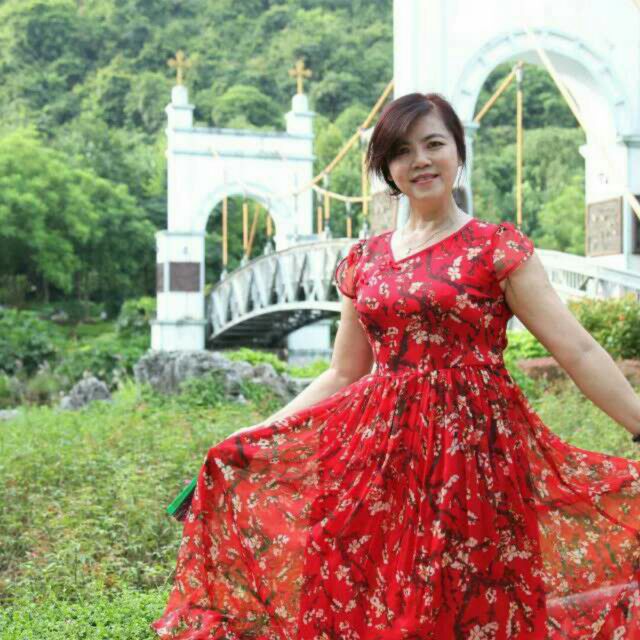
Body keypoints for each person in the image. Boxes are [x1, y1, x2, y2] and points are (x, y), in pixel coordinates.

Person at [151, 92, 640, 639]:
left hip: (472, 458)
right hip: (377, 458)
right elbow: (343, 372)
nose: (420, 161)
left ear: (458, 151)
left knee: (466, 599)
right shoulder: (366, 260)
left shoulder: (495, 249)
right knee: (365, 590)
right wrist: (259, 430)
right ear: (387, 167)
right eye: (403, 151)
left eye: (434, 144)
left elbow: (578, 351)